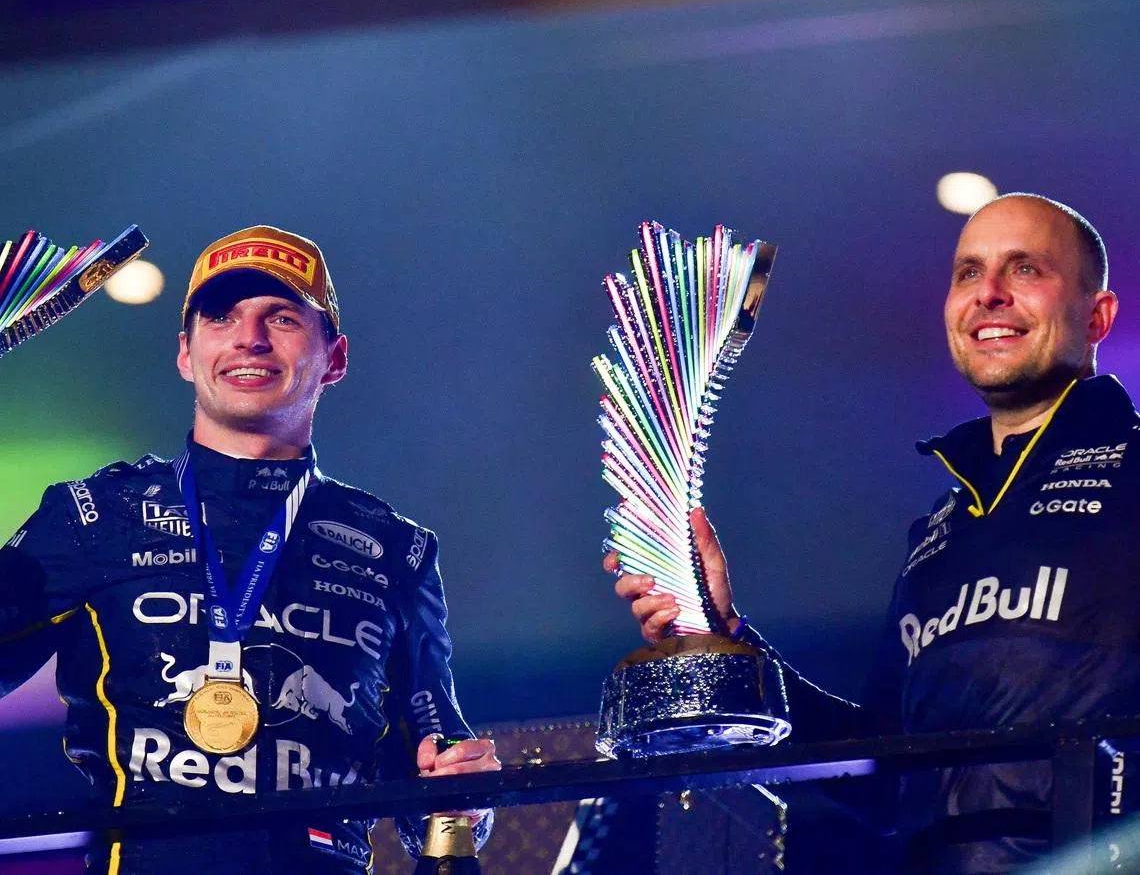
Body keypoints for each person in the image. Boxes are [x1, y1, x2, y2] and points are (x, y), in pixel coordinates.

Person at [606, 193, 1140, 872]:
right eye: (968, 273)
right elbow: (881, 770)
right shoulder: (939, 535)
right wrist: (727, 636)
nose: (991, 294)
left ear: (1097, 316)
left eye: (1026, 269)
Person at [0, 225, 499, 875]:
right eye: (221, 315)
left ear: (335, 357)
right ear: (185, 353)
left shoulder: (394, 550)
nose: (249, 338)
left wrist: (464, 793)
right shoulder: (92, 515)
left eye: (283, 317)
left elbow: (434, 770)